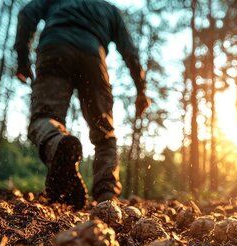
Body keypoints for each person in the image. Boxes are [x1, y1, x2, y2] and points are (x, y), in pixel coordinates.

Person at [14, 0, 150, 210]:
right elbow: (129, 49)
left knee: (43, 118)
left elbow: (27, 14)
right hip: (93, 56)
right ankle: (107, 198)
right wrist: (141, 89)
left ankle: (56, 141)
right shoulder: (109, 9)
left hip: (54, 48)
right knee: (104, 133)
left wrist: (23, 58)